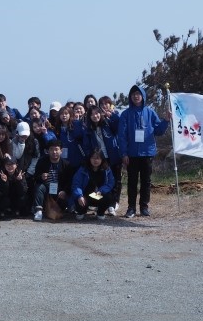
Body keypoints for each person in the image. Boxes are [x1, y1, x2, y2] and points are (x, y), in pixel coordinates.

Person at [117, 85, 170, 218]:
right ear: (130, 97)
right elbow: (122, 136)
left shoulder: (150, 113)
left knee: (146, 181)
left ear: (143, 96)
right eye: (133, 94)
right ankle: (131, 208)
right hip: (132, 154)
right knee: (132, 182)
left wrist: (166, 120)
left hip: (147, 153)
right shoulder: (125, 114)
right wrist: (124, 153)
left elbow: (159, 131)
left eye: (138, 94)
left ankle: (144, 207)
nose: (136, 96)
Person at [82, 105, 122, 215]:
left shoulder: (107, 123)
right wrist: (91, 158)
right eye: (92, 114)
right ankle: (101, 204)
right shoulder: (88, 130)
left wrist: (112, 115)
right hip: (99, 160)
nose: (95, 116)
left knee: (115, 182)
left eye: (97, 113)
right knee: (102, 182)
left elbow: (119, 125)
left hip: (112, 157)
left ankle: (112, 205)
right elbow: (86, 146)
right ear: (89, 117)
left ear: (100, 113)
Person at [31, 140, 74, 222]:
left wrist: (65, 191)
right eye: (51, 149)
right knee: (39, 187)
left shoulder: (66, 164)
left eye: (56, 149)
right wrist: (41, 176)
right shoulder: (42, 161)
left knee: (61, 207)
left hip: (59, 191)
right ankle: (38, 211)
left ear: (61, 151)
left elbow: (70, 181)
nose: (54, 152)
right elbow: (35, 177)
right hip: (46, 189)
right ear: (48, 151)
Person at [70, 148, 115, 220]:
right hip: (85, 195)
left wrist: (101, 190)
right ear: (89, 158)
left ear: (102, 159)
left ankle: (100, 213)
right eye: (93, 158)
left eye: (98, 158)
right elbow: (76, 184)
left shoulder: (106, 169)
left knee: (108, 196)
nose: (95, 160)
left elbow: (110, 183)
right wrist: (79, 195)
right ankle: (81, 212)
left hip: (99, 194)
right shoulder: (83, 169)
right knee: (78, 200)